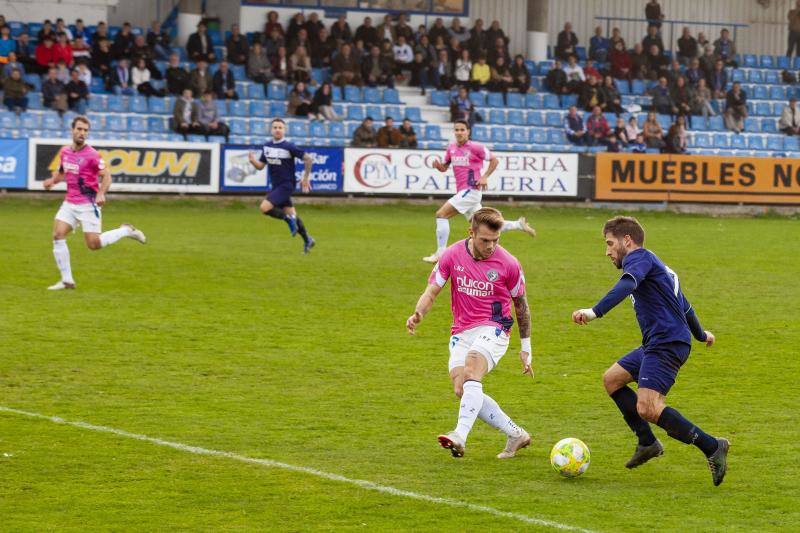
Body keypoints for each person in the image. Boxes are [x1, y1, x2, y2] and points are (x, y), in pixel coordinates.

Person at [572, 216, 728, 485]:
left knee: (649, 407)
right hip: (657, 342)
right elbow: (686, 307)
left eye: (610, 243)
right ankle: (647, 442)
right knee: (612, 379)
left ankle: (712, 446)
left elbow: (628, 283)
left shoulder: (639, 259)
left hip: (667, 344)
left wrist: (594, 312)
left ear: (627, 241)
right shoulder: (659, 268)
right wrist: (702, 335)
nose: (607, 251)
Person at [407, 207, 533, 459]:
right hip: (462, 329)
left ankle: (459, 436)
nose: (490, 246)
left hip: (495, 327)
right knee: (461, 388)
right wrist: (418, 313)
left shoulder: (509, 263)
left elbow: (521, 305)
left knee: (473, 367)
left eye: (495, 241)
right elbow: (431, 290)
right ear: (471, 232)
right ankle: (516, 434)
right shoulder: (452, 255)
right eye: (485, 240)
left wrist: (526, 347)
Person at [42, 116, 147, 291]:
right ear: (72, 130)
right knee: (57, 235)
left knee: (93, 245)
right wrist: (52, 181)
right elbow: (63, 173)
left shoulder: (92, 155)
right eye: (79, 129)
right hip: (70, 202)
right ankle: (67, 281)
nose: (82, 133)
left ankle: (126, 230)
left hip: (88, 204)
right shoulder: (65, 152)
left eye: (85, 130)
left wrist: (100, 193)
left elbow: (107, 175)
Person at [422, 120, 535, 264]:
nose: (459, 132)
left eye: (462, 129)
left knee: (441, 214)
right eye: (456, 130)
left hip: (471, 190)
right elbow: (444, 167)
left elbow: (494, 160)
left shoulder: (476, 147)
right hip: (464, 192)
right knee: (484, 224)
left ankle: (440, 254)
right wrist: (438, 166)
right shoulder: (451, 148)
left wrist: (484, 176)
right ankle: (518, 225)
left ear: (468, 131)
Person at [247, 118, 315, 254]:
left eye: (280, 127)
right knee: (292, 214)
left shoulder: (289, 147)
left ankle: (288, 220)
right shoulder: (266, 146)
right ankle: (308, 239)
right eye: (275, 127)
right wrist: (253, 161)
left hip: (287, 185)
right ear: (271, 130)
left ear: (284, 130)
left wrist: (306, 177)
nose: (277, 130)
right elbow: (261, 166)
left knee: (264, 208)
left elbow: (308, 159)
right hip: (277, 186)